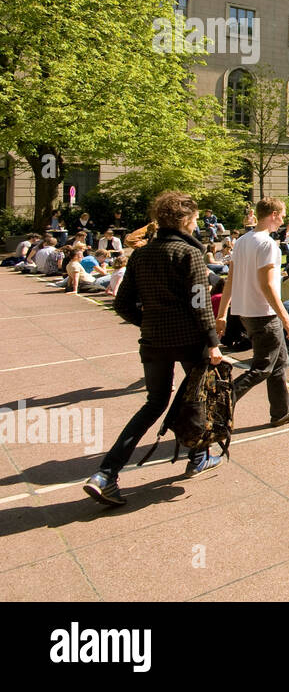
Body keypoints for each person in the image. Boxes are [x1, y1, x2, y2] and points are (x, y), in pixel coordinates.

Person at [84, 191, 226, 507]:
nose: (198, 222)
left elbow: (121, 303)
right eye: (196, 217)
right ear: (185, 219)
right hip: (190, 339)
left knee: (155, 403)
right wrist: (213, 343)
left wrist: (147, 323)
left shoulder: (141, 254)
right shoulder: (188, 254)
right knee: (199, 396)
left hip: (153, 340)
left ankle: (106, 473)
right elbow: (200, 305)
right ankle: (199, 455)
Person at [216, 197, 289, 427]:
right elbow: (267, 285)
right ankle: (222, 403)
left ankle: (281, 411)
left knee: (280, 361)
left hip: (246, 313)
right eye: (282, 215)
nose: (284, 219)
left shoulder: (242, 241)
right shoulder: (267, 245)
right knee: (262, 368)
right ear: (274, 215)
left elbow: (230, 280)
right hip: (263, 314)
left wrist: (222, 314)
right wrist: (286, 319)